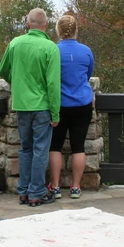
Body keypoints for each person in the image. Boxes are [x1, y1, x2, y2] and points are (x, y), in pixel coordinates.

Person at [0, 8, 61, 206]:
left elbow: (3, 70)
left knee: (26, 149)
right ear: (46, 26)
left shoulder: (15, 43)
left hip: (22, 104)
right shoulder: (50, 47)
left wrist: (17, 83)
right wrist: (55, 112)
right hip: (42, 106)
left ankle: (24, 191)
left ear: (28, 24)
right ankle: (37, 192)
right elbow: (53, 84)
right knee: (40, 149)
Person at [47, 13, 95, 200]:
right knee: (78, 146)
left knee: (55, 146)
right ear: (76, 30)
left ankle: (56, 187)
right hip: (82, 103)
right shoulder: (86, 51)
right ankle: (75, 187)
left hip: (60, 105)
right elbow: (88, 74)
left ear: (58, 30)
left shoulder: (53, 51)